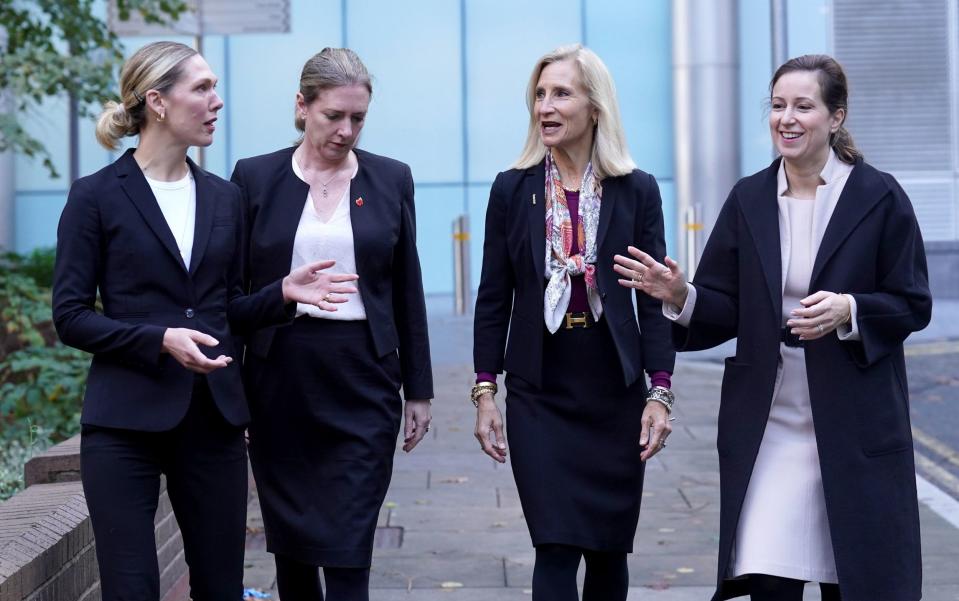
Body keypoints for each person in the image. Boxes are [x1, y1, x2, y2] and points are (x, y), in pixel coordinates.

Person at [614, 54, 931, 601]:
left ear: (835, 117)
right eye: (778, 105)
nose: (787, 118)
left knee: (854, 579)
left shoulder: (878, 197)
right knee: (767, 578)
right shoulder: (750, 199)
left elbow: (912, 302)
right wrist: (679, 295)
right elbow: (724, 307)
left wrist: (850, 310)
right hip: (769, 427)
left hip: (854, 427)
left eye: (803, 106)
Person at [52, 41, 357, 601]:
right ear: (158, 102)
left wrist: (282, 294)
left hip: (213, 423)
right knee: (131, 589)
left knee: (221, 589)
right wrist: (158, 340)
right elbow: (70, 317)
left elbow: (226, 312)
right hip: (123, 426)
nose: (218, 101)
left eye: (215, 88)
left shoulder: (224, 198)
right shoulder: (94, 197)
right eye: (203, 88)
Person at [472, 44, 676, 601]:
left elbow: (652, 301)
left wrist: (659, 393)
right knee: (555, 547)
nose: (545, 106)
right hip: (541, 392)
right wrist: (485, 393)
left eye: (561, 92)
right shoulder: (512, 189)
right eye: (539, 94)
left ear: (595, 106)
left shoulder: (637, 189)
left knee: (609, 553)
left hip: (613, 391)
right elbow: (494, 299)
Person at [230, 47, 433, 601]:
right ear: (302, 106)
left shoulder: (392, 179)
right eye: (333, 116)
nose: (346, 130)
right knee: (293, 553)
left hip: (363, 374)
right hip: (280, 378)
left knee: (348, 550)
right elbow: (234, 295)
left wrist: (419, 389)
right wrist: (233, 394)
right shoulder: (253, 178)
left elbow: (406, 288)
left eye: (358, 118)